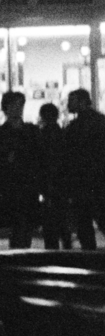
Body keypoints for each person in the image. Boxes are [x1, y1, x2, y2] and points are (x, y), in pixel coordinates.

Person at [0, 91, 41, 250]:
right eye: (13, 105)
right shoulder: (0, 133)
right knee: (18, 225)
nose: (17, 109)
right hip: (11, 187)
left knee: (25, 226)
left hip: (28, 185)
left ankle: (21, 255)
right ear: (5, 108)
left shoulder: (31, 131)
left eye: (20, 105)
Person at [60, 88, 105, 251]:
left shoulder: (76, 126)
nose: (68, 104)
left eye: (72, 101)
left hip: (82, 183)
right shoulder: (100, 121)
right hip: (98, 181)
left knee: (84, 223)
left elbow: (70, 156)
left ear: (81, 101)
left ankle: (90, 257)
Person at [36, 103, 71, 249]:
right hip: (63, 185)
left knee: (50, 226)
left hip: (47, 186)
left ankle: (52, 253)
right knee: (64, 223)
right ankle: (68, 251)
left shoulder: (41, 135)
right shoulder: (64, 134)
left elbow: (41, 162)